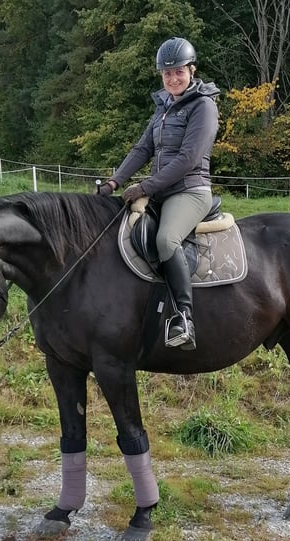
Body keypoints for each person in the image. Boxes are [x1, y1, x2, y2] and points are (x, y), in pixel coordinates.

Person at [96, 37, 220, 351]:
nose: (172, 79)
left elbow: (188, 158)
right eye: (166, 74)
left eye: (178, 72)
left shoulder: (203, 105)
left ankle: (184, 317)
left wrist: (146, 186)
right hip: (162, 190)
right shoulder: (163, 108)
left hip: (190, 190)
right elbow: (143, 149)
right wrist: (114, 182)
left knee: (166, 239)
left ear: (191, 70)